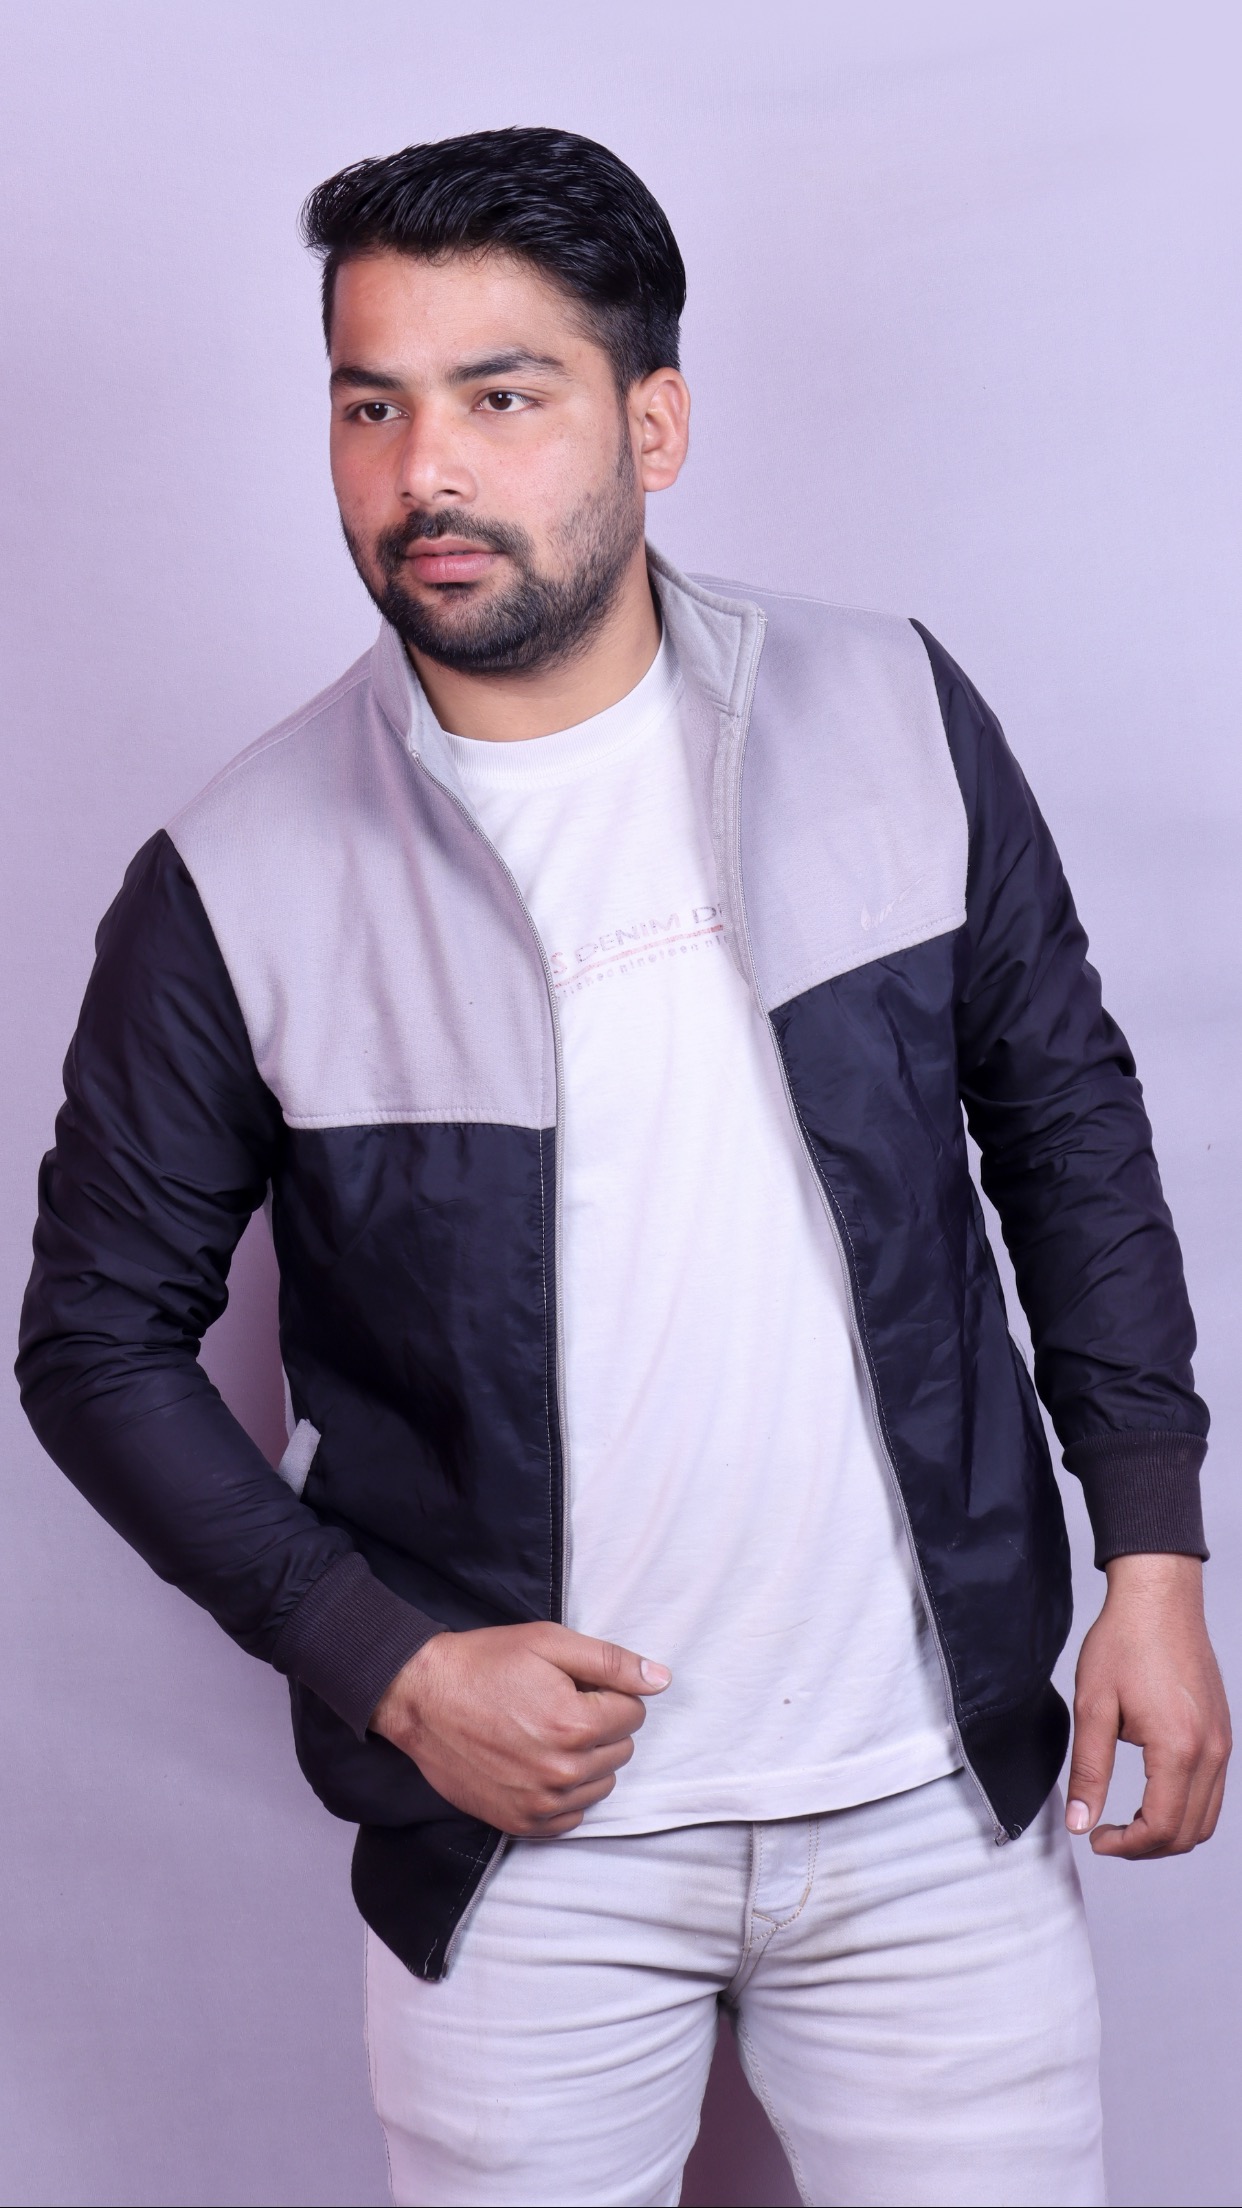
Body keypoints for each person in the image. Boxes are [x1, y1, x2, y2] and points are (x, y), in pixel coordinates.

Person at [16, 125, 1229, 2208]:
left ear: (651, 422)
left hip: (931, 1803)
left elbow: (1066, 1126)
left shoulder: (895, 711)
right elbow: (94, 1345)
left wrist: (1153, 1556)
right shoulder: (232, 877)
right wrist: (388, 1667)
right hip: (526, 1858)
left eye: (502, 396)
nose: (424, 473)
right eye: (371, 406)